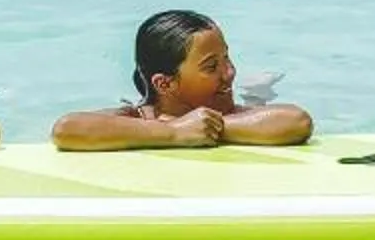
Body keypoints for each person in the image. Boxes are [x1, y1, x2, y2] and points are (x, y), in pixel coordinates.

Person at [53, 9, 314, 152]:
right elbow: (66, 129)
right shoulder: (138, 116)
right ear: (164, 84)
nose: (229, 72)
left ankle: (256, 93)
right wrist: (174, 131)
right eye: (212, 67)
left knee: (256, 102)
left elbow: (297, 121)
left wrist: (212, 127)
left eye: (227, 58)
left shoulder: (230, 113)